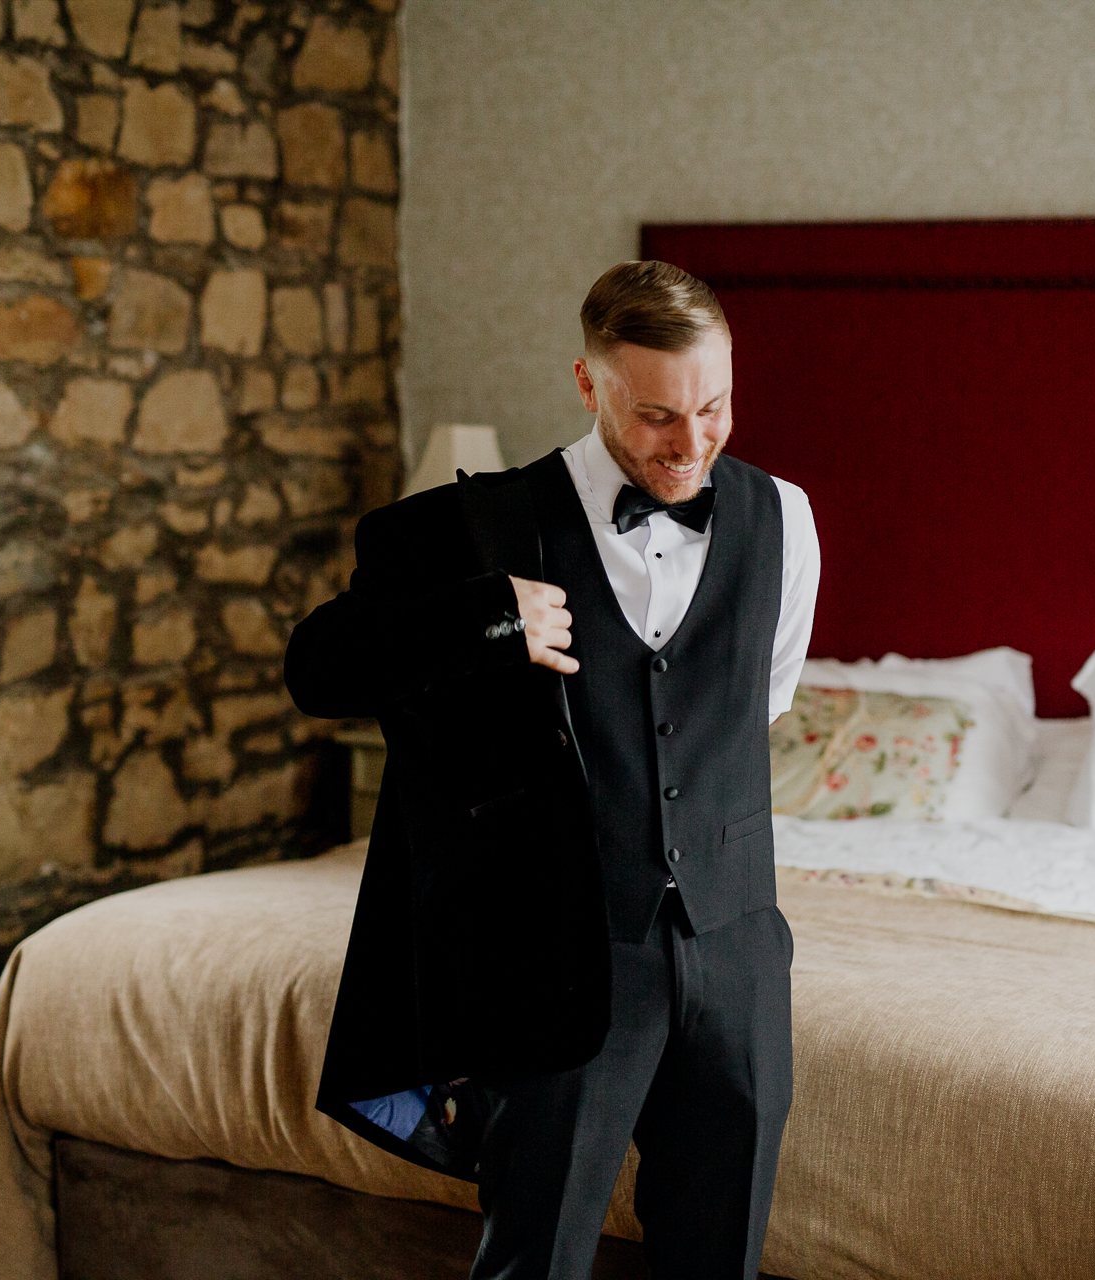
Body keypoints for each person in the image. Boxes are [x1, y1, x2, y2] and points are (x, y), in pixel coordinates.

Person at [285, 260, 820, 1279]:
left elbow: (756, 706)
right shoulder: (482, 524)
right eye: (658, 414)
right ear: (589, 383)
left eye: (715, 406)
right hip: (559, 957)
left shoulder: (785, 520)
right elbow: (317, 666)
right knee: (535, 1257)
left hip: (740, 948)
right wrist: (485, 619)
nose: (693, 442)